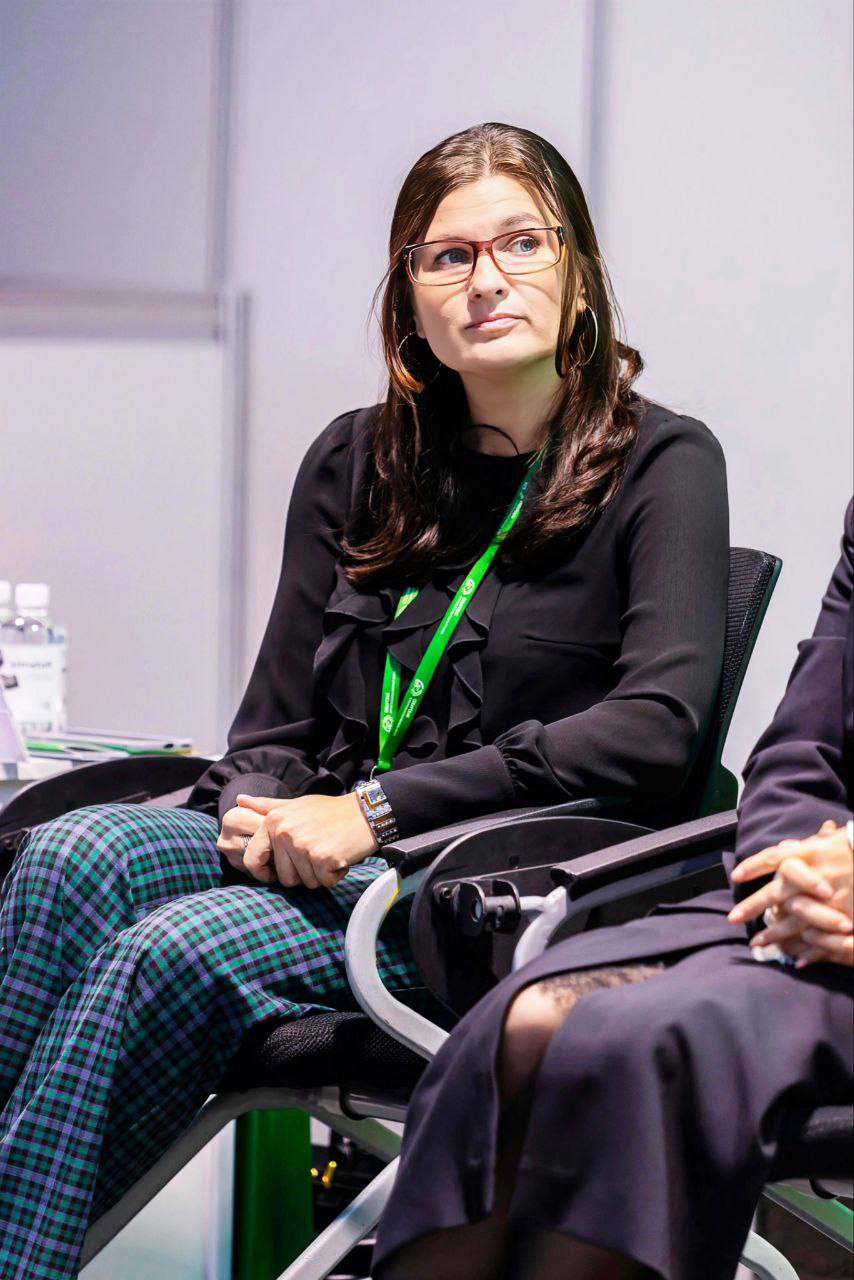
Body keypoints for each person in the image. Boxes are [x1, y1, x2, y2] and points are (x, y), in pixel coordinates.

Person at [0, 122, 729, 1279]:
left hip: (481, 886)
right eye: (447, 256)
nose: (485, 280)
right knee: (70, 853)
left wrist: (374, 811)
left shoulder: (662, 462)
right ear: (409, 300)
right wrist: (254, 806)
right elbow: (274, 725)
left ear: (579, 275)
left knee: (168, 948)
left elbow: (654, 729)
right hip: (321, 847)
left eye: (522, 243)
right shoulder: (354, 459)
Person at [371, 498, 854, 1280]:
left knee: (642, 1042)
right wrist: (794, 872)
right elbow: (799, 753)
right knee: (528, 1019)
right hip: (799, 910)